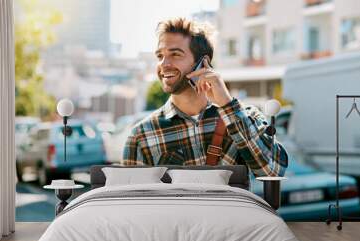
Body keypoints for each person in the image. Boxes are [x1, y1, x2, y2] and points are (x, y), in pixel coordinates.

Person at [122, 18, 288, 177]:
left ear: (203, 63)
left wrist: (227, 105)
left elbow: (273, 171)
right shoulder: (141, 135)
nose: (164, 64)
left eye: (175, 54)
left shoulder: (248, 118)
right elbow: (132, 203)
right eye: (160, 56)